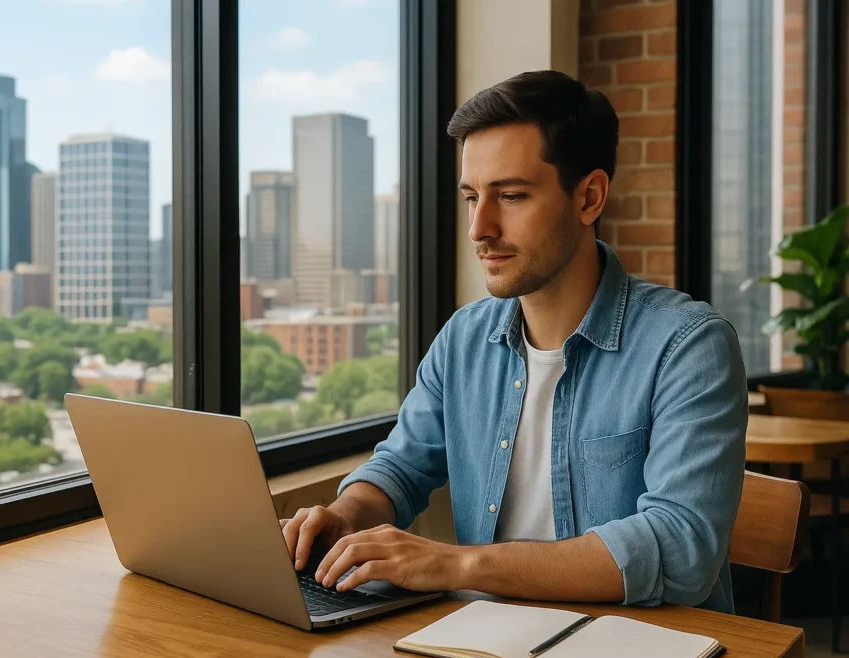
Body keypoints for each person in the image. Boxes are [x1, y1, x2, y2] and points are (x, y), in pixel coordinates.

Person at [281, 70, 748, 613]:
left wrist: (457, 564)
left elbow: (680, 548)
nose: (480, 227)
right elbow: (401, 467)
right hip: (485, 645)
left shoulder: (689, 347)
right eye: (472, 197)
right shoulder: (464, 340)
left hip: (638, 653)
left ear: (589, 197)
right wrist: (347, 514)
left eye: (512, 196)